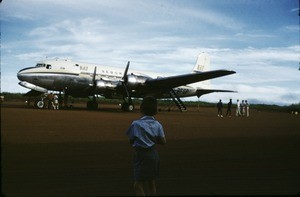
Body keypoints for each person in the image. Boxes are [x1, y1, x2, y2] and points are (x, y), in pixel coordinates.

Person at [126, 96, 166, 196]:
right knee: (151, 182)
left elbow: (131, 140)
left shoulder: (135, 124)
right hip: (153, 154)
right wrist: (153, 138)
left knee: (138, 183)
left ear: (141, 108)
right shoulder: (158, 124)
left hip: (140, 154)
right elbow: (163, 141)